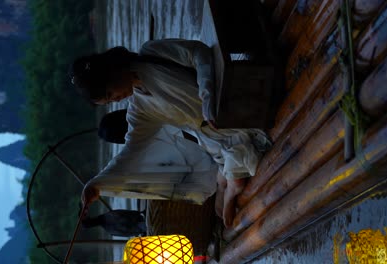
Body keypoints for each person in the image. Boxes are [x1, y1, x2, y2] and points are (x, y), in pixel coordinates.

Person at [71, 39, 271, 227]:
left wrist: (207, 95)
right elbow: (131, 151)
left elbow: (198, 52)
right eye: (109, 101)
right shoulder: (139, 109)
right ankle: (223, 183)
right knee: (225, 170)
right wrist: (97, 183)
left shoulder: (151, 53)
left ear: (110, 72)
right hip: (210, 137)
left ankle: (228, 185)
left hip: (228, 106)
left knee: (237, 176)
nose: (116, 100)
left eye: (109, 94)